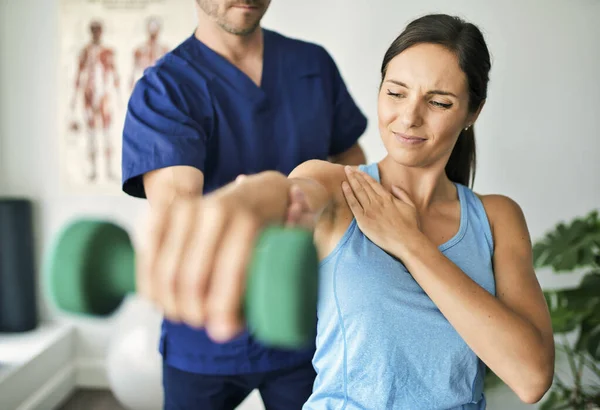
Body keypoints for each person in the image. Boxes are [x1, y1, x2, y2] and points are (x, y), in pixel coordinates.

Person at [139, 13, 556, 409]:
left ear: (472, 112)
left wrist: (411, 244)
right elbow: (288, 193)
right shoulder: (340, 187)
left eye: (439, 102)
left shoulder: (498, 217)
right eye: (395, 92)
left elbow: (531, 377)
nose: (408, 117)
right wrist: (238, 202)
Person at [121, 0, 367, 408]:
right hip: (204, 337)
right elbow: (180, 211)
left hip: (308, 323)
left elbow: (354, 172)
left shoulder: (313, 66)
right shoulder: (166, 89)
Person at [71, 20, 121, 182]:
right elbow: (78, 74)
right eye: (94, 30)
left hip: (104, 96)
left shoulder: (108, 51)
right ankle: (93, 170)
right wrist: (73, 98)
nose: (96, 33)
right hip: (89, 94)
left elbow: (114, 74)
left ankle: (109, 170)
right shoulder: (85, 51)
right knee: (91, 133)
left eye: (98, 30)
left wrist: (119, 97)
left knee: (107, 133)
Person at [129, 16, 170, 90]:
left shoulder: (164, 49)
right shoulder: (139, 50)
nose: (153, 33)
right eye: (151, 29)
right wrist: (132, 81)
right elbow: (134, 69)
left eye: (155, 29)